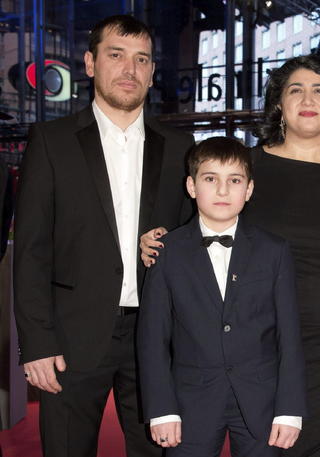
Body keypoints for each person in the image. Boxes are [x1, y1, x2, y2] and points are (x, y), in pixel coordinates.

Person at [142, 54, 320, 457]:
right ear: (279, 105)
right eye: (295, 90)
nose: (308, 98)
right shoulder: (244, 168)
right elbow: (190, 233)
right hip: (256, 347)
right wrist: (151, 239)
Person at [13, 15, 194, 457]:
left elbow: (195, 238)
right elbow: (32, 250)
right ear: (91, 63)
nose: (130, 69)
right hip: (71, 337)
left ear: (152, 71)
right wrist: (36, 343)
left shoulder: (180, 147)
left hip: (155, 337)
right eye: (116, 55)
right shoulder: (51, 141)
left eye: (141, 59)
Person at [136, 137, 307, 457]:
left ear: (249, 189)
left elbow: (290, 334)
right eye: (211, 179)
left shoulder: (274, 250)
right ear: (192, 186)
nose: (223, 190)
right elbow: (152, 337)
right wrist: (161, 409)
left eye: (235, 180)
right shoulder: (167, 251)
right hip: (189, 402)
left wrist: (289, 409)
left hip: (263, 401)